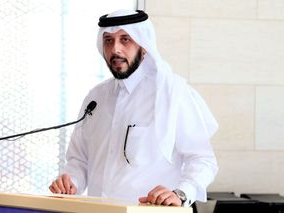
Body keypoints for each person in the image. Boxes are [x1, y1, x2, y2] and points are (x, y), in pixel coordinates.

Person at [49, 9, 218, 207]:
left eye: (125, 39)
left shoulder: (172, 93)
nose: (115, 49)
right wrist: (71, 183)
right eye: (108, 40)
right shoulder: (95, 98)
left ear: (144, 45)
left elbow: (203, 160)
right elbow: (79, 161)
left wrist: (181, 193)